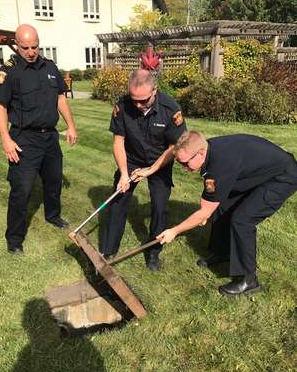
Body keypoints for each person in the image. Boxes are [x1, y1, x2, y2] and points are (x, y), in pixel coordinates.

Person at [137, 130, 297, 295]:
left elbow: (204, 212)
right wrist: (151, 169)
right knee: (223, 206)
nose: (184, 168)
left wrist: (174, 231)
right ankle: (223, 253)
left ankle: (249, 280)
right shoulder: (204, 148)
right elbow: (173, 150)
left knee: (242, 220)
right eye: (180, 163)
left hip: (281, 177)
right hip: (258, 170)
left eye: (185, 163)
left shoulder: (218, 168)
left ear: (200, 154)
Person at [0, 24, 78, 254]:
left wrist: (70, 125)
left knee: (53, 182)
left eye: (35, 46)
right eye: (25, 47)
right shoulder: (9, 71)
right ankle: (14, 239)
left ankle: (53, 216)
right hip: (24, 139)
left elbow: (60, 97)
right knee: (21, 190)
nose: (31, 52)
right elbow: (0, 107)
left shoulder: (49, 67)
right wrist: (5, 139)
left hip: (50, 137)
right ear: (16, 44)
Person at [100, 69, 187, 271]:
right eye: (134, 100)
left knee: (159, 206)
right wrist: (123, 173)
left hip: (160, 161)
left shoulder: (170, 108)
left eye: (144, 101)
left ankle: (153, 251)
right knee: (118, 199)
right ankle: (109, 249)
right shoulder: (122, 106)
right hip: (131, 159)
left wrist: (151, 169)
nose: (138, 105)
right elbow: (118, 141)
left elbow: (175, 147)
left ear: (155, 90)